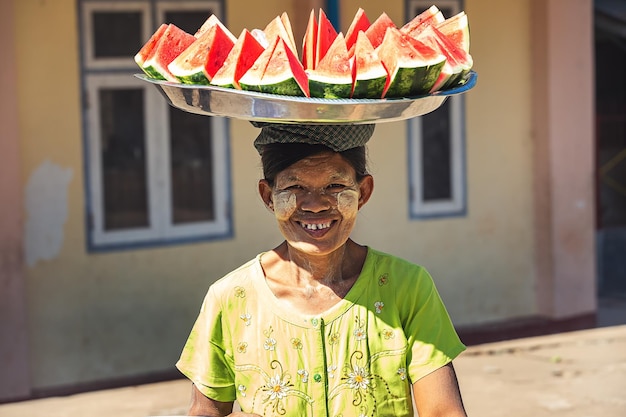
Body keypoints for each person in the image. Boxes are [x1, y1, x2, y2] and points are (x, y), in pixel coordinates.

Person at [176, 123, 468, 417]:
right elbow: (205, 410)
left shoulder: (407, 286)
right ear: (268, 196)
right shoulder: (230, 298)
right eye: (294, 187)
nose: (315, 205)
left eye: (335, 186)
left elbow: (443, 411)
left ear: (363, 191)